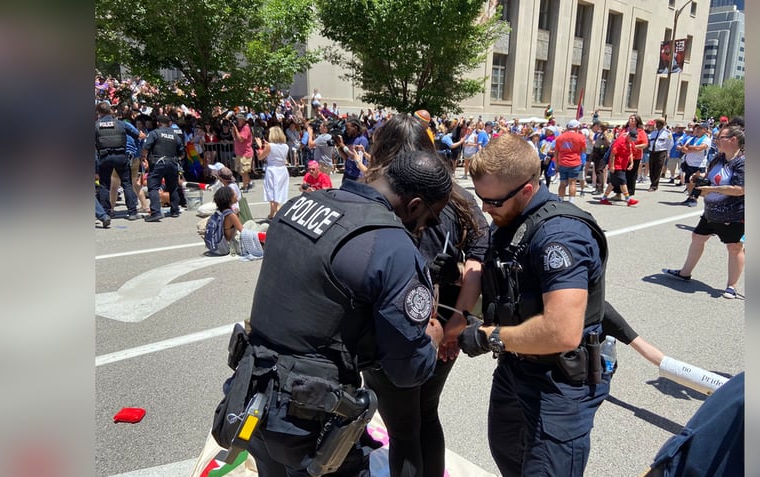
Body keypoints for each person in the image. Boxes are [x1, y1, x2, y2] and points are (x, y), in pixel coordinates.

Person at [221, 149, 452, 476]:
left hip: (252, 394)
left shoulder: (300, 204)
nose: (426, 227)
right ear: (415, 205)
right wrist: (430, 339)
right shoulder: (392, 245)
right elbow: (405, 372)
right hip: (311, 419)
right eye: (429, 217)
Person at [460, 133, 611, 477]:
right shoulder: (511, 222)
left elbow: (562, 331)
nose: (485, 208)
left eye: (493, 201)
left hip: (558, 383)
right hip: (517, 368)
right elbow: (512, 288)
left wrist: (488, 337)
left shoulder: (560, 236)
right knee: (508, 455)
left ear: (526, 190)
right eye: (481, 198)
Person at [360, 114, 488, 477]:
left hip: (391, 329)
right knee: (427, 414)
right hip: (447, 322)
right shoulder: (456, 194)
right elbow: (480, 257)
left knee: (402, 430)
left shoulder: (375, 194)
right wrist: (457, 321)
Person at [663, 126, 745, 299]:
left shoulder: (742, 162)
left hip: (734, 214)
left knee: (734, 247)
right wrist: (700, 182)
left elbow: (740, 189)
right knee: (698, 237)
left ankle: (732, 286)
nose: (716, 139)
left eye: (721, 137)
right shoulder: (718, 158)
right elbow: (709, 176)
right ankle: (685, 272)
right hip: (711, 212)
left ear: (733, 140)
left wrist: (712, 188)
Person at [95, 101, 143, 221]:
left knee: (104, 185)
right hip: (121, 156)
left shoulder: (95, 125)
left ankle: (106, 212)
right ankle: (132, 212)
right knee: (126, 184)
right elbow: (138, 135)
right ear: (110, 111)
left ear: (98, 112)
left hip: (104, 157)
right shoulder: (121, 124)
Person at [140, 114, 184, 222]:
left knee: (153, 187)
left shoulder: (154, 133)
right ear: (169, 123)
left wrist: (143, 158)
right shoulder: (175, 135)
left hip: (158, 162)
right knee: (172, 187)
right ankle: (175, 210)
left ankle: (155, 212)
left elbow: (146, 147)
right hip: (172, 162)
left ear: (158, 123)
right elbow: (182, 152)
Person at [598, 126, 640, 206]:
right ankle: (628, 200)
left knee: (612, 183)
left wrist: (631, 163)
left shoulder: (630, 143)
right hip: (617, 166)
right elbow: (612, 155)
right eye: (632, 139)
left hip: (623, 165)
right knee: (623, 182)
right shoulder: (620, 142)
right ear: (629, 136)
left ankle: (604, 198)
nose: (632, 141)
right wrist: (612, 166)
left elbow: (630, 153)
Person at [256, 126, 290, 220]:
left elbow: (260, 157)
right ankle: (271, 214)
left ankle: (279, 215)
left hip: (273, 170)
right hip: (282, 170)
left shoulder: (269, 146)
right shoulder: (285, 146)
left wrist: (260, 146)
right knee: (278, 193)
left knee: (272, 194)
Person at [677, 123, 712, 206]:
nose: (698, 129)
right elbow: (683, 149)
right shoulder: (692, 139)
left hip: (699, 164)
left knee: (696, 182)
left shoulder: (706, 139)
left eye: (701, 128)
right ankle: (690, 197)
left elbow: (700, 148)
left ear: (706, 130)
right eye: (697, 128)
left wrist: (690, 148)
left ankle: (694, 199)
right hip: (688, 163)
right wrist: (690, 148)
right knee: (688, 182)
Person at [554, 119, 587, 202]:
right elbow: (584, 150)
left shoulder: (559, 137)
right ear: (576, 127)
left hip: (563, 162)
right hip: (575, 162)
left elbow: (556, 152)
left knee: (562, 183)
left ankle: (560, 199)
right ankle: (571, 201)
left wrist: (557, 164)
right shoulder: (580, 137)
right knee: (572, 183)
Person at [335, 118, 369, 182]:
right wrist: (339, 146)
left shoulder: (362, 140)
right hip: (347, 173)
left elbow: (356, 157)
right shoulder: (350, 139)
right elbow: (346, 158)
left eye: (348, 128)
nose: (346, 131)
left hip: (357, 176)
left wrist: (343, 145)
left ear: (355, 128)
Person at [647, 118, 673, 192]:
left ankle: (654, 185)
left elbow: (670, 143)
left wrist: (668, 152)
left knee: (658, 169)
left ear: (662, 124)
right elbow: (649, 141)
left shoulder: (667, 133)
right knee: (651, 168)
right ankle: (652, 182)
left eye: (659, 123)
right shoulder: (653, 132)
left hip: (661, 152)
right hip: (652, 152)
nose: (657, 124)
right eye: (657, 123)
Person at [231, 113, 254, 192]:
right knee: (240, 170)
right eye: (237, 119)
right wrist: (233, 129)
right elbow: (234, 137)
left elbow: (241, 139)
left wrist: (236, 130)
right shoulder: (239, 128)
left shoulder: (246, 128)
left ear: (243, 120)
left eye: (240, 119)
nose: (238, 121)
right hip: (239, 152)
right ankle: (249, 182)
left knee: (244, 171)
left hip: (245, 152)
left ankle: (246, 186)